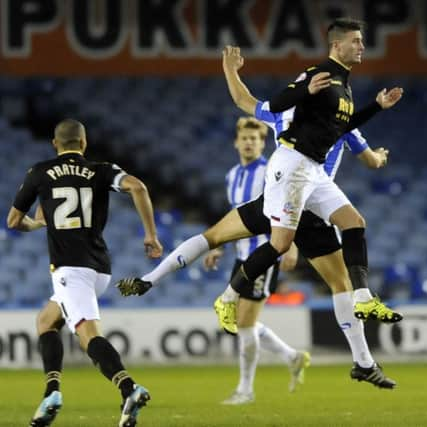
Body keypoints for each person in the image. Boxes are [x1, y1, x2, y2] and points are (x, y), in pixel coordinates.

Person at [116, 42, 399, 388]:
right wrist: (379, 155)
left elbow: (246, 101)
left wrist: (231, 72)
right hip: (294, 194)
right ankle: (361, 358)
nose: (250, 142)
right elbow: (370, 160)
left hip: (299, 194)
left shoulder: (302, 118)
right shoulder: (330, 122)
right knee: (333, 279)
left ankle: (361, 358)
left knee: (224, 238)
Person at [213, 17, 402, 333]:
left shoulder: (343, 87)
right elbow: (260, 103)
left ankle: (364, 297)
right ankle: (228, 297)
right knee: (280, 244)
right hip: (293, 167)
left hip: (314, 173)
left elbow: (342, 127)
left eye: (361, 41)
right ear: (336, 45)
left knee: (354, 222)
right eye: (355, 41)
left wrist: (377, 106)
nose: (362, 46)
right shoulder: (316, 79)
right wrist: (232, 72)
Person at [6, 119, 163, 427]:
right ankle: (52, 391)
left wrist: (39, 222)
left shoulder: (39, 173)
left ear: (55, 144)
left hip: (70, 269)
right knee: (46, 321)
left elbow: (13, 222)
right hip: (99, 268)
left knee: (88, 337)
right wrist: (151, 235)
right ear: (84, 143)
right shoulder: (101, 170)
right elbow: (138, 187)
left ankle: (129, 388)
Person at [205, 116, 311, 404]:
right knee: (241, 322)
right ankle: (292, 357)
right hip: (240, 256)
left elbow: (291, 207)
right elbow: (237, 218)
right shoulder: (231, 176)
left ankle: (246, 390)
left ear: (263, 143)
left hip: (264, 254)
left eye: (256, 138)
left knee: (246, 323)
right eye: (245, 138)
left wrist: (291, 246)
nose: (250, 142)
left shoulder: (270, 172)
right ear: (236, 142)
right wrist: (218, 246)